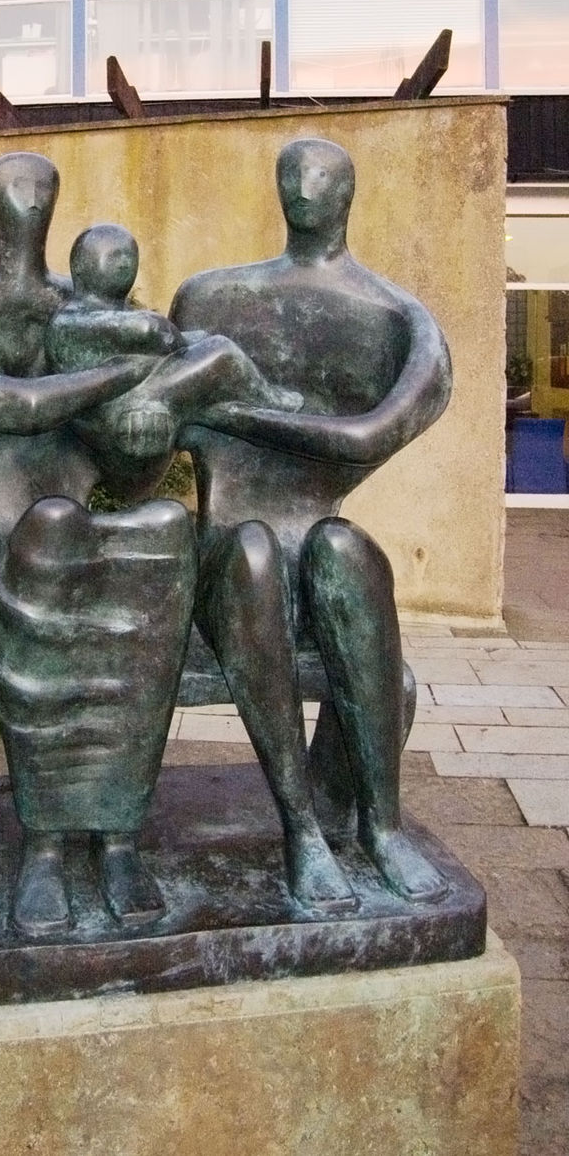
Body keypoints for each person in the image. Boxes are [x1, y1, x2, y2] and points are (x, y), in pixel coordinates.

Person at [0, 152, 176, 934]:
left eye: (40, 208)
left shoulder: (86, 321)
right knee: (51, 527)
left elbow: (136, 478)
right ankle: (46, 848)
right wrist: (122, 373)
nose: (28, 224)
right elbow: (9, 406)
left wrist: (149, 430)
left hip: (76, 558)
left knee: (165, 530)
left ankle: (119, 837)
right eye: (13, 207)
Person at [168, 137, 453, 905]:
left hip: (314, 532)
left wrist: (238, 412)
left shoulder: (397, 316)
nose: (303, 187)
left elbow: (370, 437)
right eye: (291, 174)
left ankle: (381, 827)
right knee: (254, 555)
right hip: (228, 551)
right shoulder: (209, 299)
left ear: (347, 192)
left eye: (320, 175)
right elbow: (164, 417)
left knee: (346, 552)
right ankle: (302, 832)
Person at [44, 221, 303, 486]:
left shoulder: (109, 314)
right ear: (80, 265)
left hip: (140, 399)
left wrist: (187, 343)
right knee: (220, 352)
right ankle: (269, 398)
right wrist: (184, 343)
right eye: (114, 256)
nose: (124, 263)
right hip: (117, 414)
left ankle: (244, 407)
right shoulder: (72, 318)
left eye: (129, 256)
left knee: (211, 352)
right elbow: (152, 331)